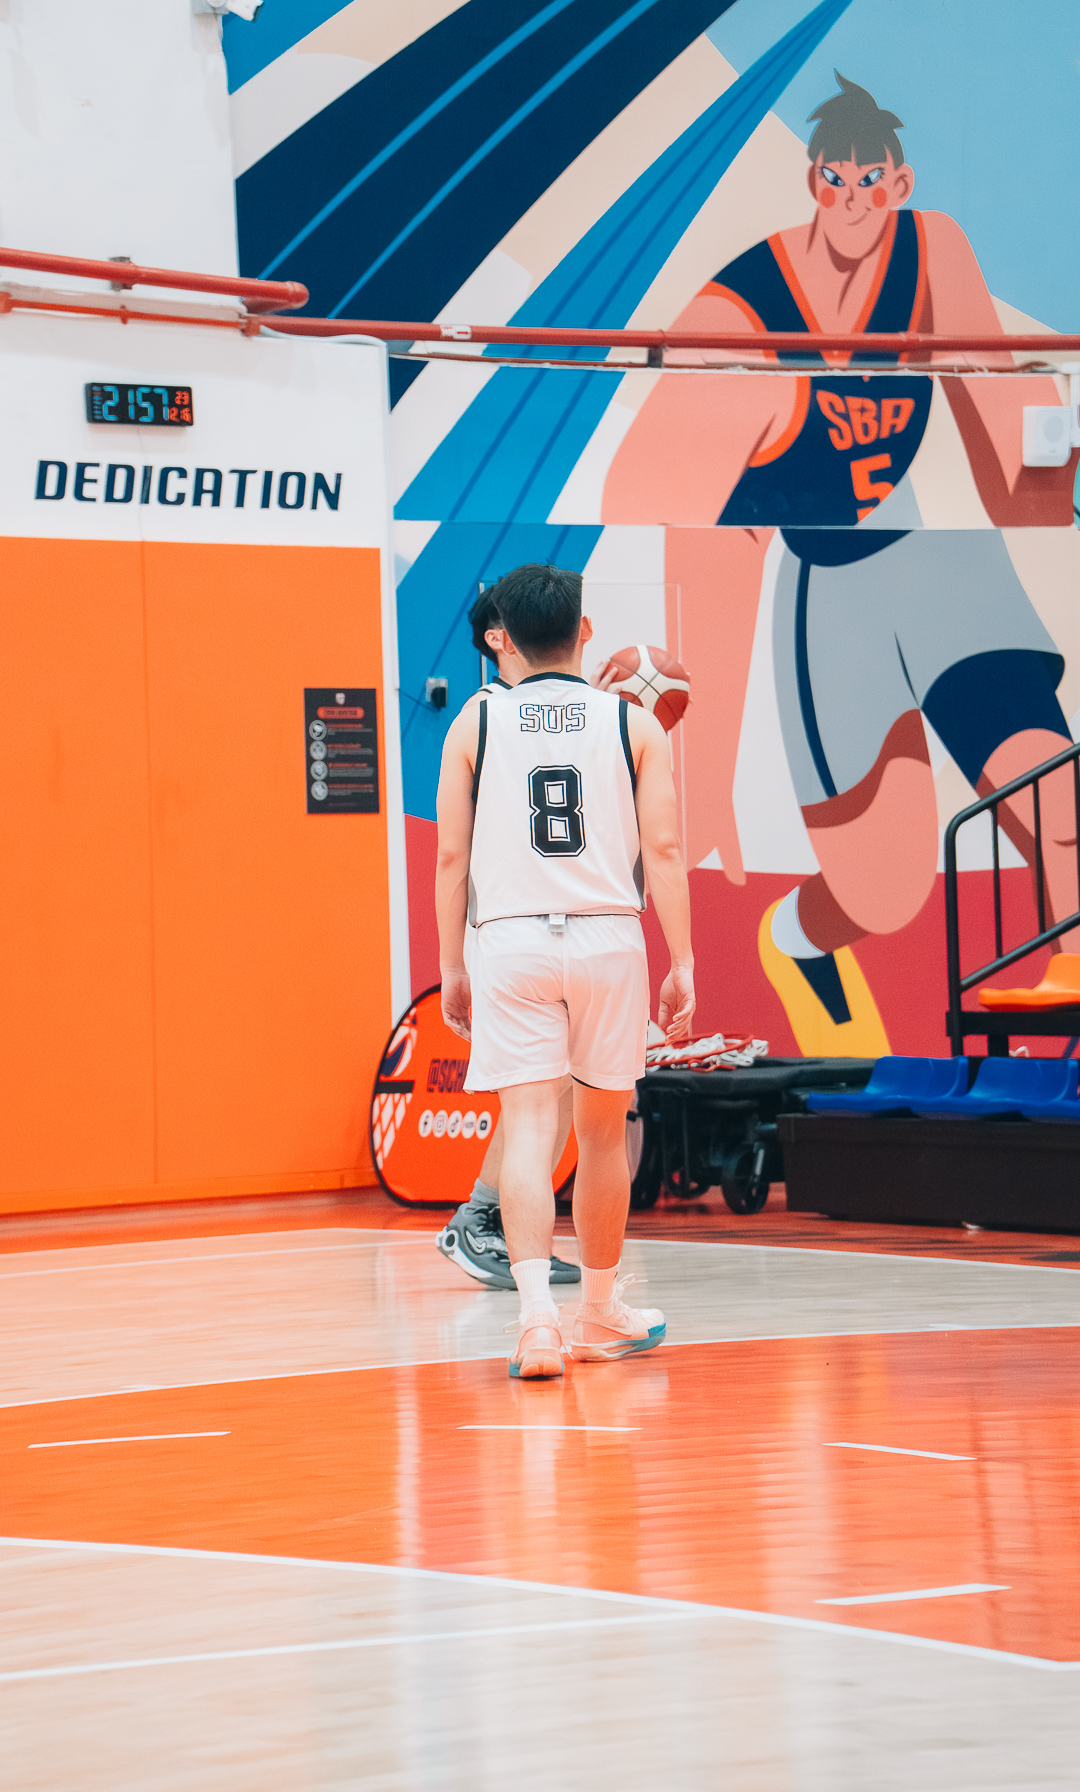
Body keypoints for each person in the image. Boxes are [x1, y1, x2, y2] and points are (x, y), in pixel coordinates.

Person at [603, 71, 1078, 1054]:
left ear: (899, 185)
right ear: (811, 181)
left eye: (871, 181)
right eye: (835, 180)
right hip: (829, 597)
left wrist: (1055, 451)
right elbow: (695, 541)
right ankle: (794, 939)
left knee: (1054, 797)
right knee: (887, 890)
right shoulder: (739, 324)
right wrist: (707, 769)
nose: (853, 200)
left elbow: (1009, 461)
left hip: (943, 568)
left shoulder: (933, 251)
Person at [435, 562, 695, 1379]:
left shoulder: (475, 721)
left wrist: (451, 964)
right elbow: (664, 850)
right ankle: (602, 1311)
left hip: (511, 941)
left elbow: (450, 858)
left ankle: (537, 1324)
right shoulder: (634, 724)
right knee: (602, 1133)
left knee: (527, 1129)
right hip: (608, 937)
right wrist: (683, 961)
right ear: (585, 631)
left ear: (503, 638)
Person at [436, 583, 581, 1291]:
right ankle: (481, 1217)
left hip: (571, 928)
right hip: (515, 929)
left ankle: (493, 1220)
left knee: (562, 1092)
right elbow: (451, 853)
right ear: (499, 637)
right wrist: (452, 963)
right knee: (539, 1096)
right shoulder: (487, 715)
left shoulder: (564, 713)